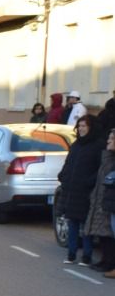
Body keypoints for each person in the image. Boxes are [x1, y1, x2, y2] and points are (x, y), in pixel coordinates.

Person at [57, 113, 104, 265]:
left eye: (84, 126)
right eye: (80, 126)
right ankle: (71, 254)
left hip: (86, 192)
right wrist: (63, 175)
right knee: (72, 224)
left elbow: (100, 169)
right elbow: (68, 163)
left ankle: (86, 256)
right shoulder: (76, 145)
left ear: (91, 127)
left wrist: (88, 182)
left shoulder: (97, 145)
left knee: (86, 226)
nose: (81, 129)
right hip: (72, 190)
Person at [83, 127, 115, 277]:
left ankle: (110, 263)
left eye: (111, 139)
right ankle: (105, 261)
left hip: (109, 201)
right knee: (102, 233)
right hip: (101, 199)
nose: (108, 141)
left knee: (108, 233)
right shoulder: (108, 157)